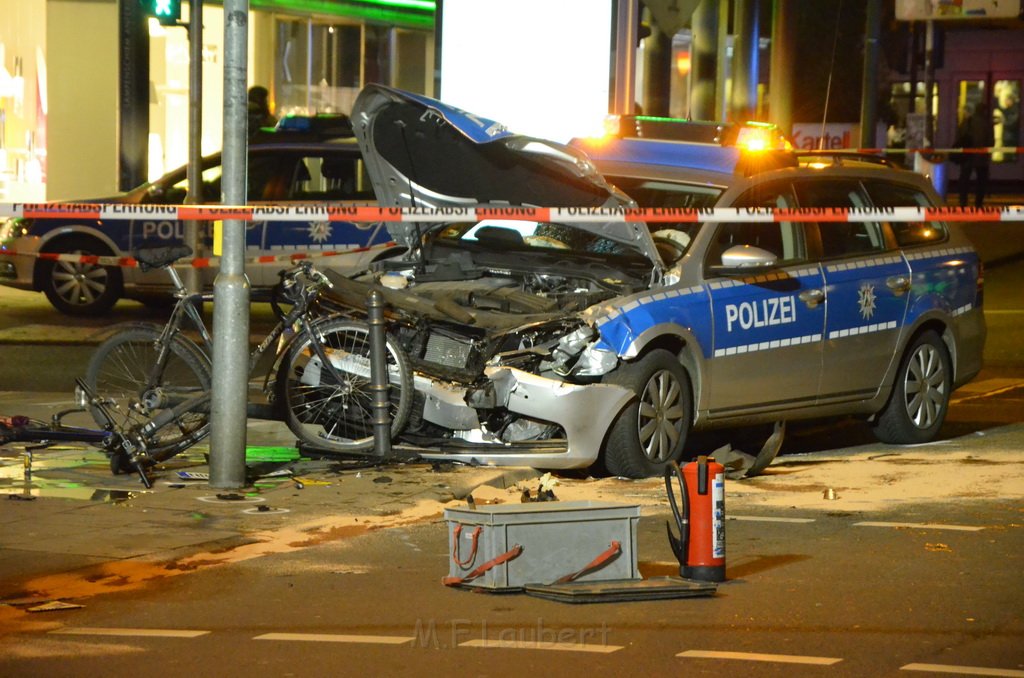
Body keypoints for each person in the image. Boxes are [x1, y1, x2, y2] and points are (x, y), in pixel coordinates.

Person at [955, 101, 995, 208]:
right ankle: (978, 203)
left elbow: (959, 137)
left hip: (967, 156)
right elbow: (991, 142)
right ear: (984, 111)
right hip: (981, 157)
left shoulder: (967, 121)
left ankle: (963, 201)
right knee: (981, 181)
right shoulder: (987, 123)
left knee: (964, 179)